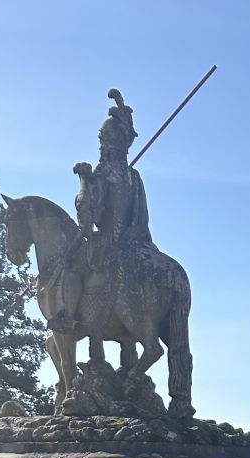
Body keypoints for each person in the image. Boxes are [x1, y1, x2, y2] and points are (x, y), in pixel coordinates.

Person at [48, 90, 154, 333]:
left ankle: (69, 318)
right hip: (136, 241)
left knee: (71, 266)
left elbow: (87, 220)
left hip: (108, 243)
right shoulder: (134, 176)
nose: (101, 145)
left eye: (102, 140)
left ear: (108, 142)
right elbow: (141, 215)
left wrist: (85, 181)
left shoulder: (104, 173)